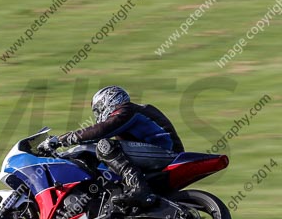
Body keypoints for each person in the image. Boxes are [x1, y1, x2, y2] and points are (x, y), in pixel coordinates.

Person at [51, 86, 184, 211]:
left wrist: (64, 139)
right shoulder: (128, 116)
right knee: (101, 149)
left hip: (166, 152)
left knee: (105, 146)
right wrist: (64, 154)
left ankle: (138, 187)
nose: (98, 116)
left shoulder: (127, 110)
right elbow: (93, 139)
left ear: (108, 100)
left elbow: (100, 131)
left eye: (98, 110)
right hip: (158, 153)